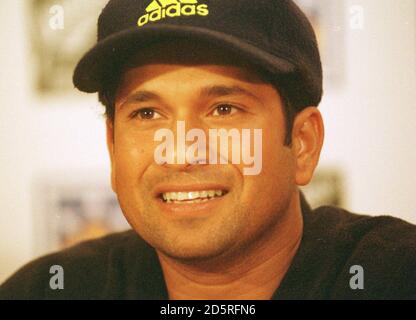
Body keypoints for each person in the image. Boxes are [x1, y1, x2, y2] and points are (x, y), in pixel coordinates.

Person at [1, 0, 415, 300]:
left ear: (302, 144)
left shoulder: (396, 276)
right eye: (147, 114)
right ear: (112, 146)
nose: (181, 152)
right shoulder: (45, 290)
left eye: (223, 109)